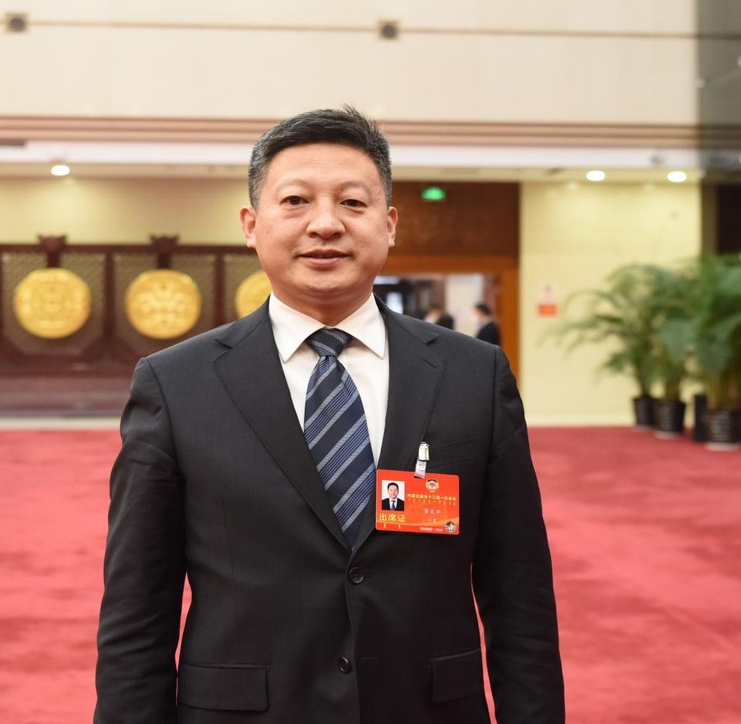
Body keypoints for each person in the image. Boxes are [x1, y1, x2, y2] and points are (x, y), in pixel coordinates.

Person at [95, 106, 564, 724]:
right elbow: (137, 608)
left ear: (389, 225)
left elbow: (519, 593)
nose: (325, 224)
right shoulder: (176, 384)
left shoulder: (474, 374)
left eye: (352, 202)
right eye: (295, 201)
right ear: (251, 225)